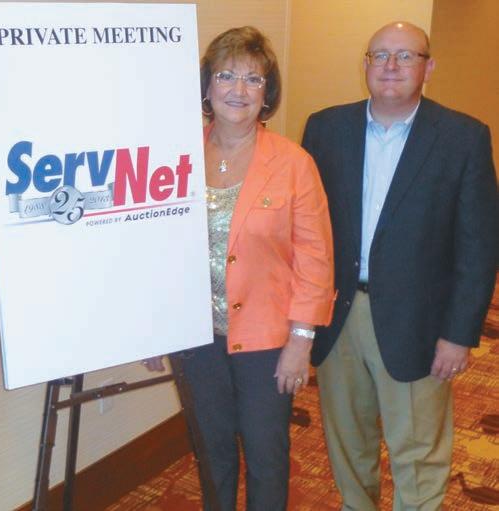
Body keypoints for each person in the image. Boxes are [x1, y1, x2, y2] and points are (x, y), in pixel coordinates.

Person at [302, 21, 498, 511]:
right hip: (338, 314)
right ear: (366, 65)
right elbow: (305, 229)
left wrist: (458, 334)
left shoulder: (463, 137)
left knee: (418, 453)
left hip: (419, 323)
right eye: (381, 55)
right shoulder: (325, 128)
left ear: (428, 68)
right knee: (348, 442)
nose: (391, 66)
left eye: (406, 56)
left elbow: (478, 247)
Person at [145, 26, 335, 511]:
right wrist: (155, 327)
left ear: (267, 93)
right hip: (195, 337)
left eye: (253, 79)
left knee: (266, 454)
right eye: (226, 75)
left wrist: (301, 341)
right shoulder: (177, 155)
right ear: (207, 85)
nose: (238, 89)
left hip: (268, 342)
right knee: (211, 451)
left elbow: (315, 259)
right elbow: (156, 246)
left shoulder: (294, 163)